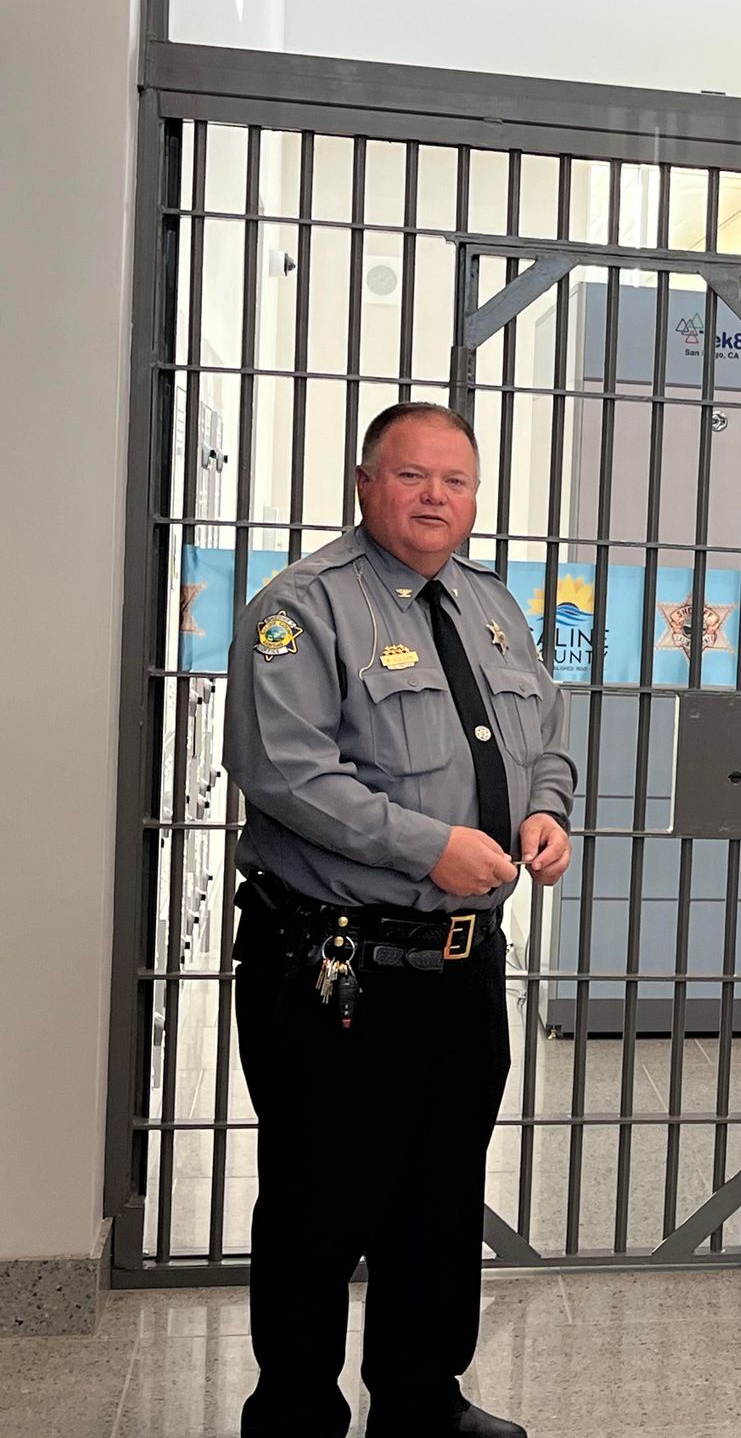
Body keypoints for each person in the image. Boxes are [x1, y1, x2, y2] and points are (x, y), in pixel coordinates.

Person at [224, 402, 574, 1438]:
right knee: (319, 1202)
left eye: (455, 481)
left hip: (463, 964)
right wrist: (429, 847)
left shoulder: (491, 604)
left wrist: (546, 808)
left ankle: (421, 1401)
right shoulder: (303, 608)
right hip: (338, 964)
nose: (435, 498)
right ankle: (294, 1414)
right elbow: (284, 772)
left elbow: (547, 735)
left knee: (439, 1195)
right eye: (413, 475)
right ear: (365, 483)